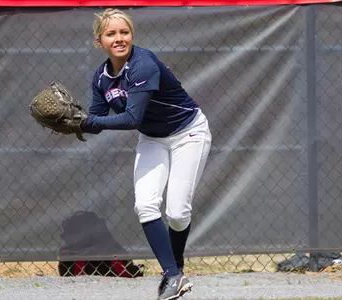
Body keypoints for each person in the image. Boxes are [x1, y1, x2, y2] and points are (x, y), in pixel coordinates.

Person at [78, 8, 212, 300]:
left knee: (177, 213)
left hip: (187, 133)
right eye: (111, 34)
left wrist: (87, 122)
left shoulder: (143, 63)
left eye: (124, 32)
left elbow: (131, 118)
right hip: (153, 139)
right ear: (98, 41)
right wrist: (73, 122)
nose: (119, 38)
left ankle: (175, 265)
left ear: (132, 35)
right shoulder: (101, 78)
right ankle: (174, 276)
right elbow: (96, 121)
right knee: (146, 205)